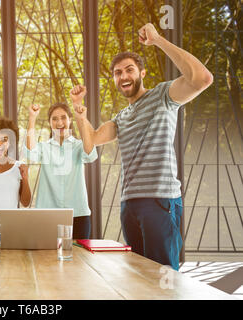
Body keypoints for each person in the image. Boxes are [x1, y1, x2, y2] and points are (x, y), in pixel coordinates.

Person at [73, 23, 213, 270]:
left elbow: (202, 79)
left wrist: (158, 39)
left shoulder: (162, 96)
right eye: (117, 72)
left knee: (164, 277)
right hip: (130, 205)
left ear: (142, 73)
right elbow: (91, 141)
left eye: (129, 70)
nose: (123, 76)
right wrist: (79, 113)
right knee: (139, 279)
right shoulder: (122, 116)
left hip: (159, 201)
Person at [23, 95, 98, 239]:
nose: (59, 122)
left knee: (78, 259)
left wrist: (82, 119)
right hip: (47, 214)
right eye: (54, 119)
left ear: (70, 120)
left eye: (63, 118)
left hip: (78, 215)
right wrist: (32, 118)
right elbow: (30, 152)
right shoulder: (44, 147)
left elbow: (90, 154)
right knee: (46, 259)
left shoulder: (78, 146)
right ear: (50, 122)